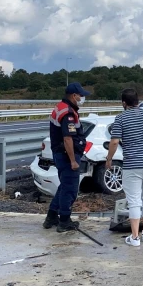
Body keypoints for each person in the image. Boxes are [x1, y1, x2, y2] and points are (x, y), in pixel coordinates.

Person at [106, 89, 143, 247]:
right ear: (138, 101)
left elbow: (114, 142)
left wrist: (109, 159)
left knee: (134, 201)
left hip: (132, 165)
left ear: (124, 103)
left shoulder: (120, 118)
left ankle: (134, 237)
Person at [43, 82, 90, 232]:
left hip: (60, 153)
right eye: (81, 96)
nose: (82, 98)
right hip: (66, 155)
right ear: (73, 95)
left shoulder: (60, 107)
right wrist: (73, 161)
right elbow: (68, 138)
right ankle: (64, 221)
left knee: (64, 187)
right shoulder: (68, 113)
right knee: (70, 189)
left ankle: (51, 216)